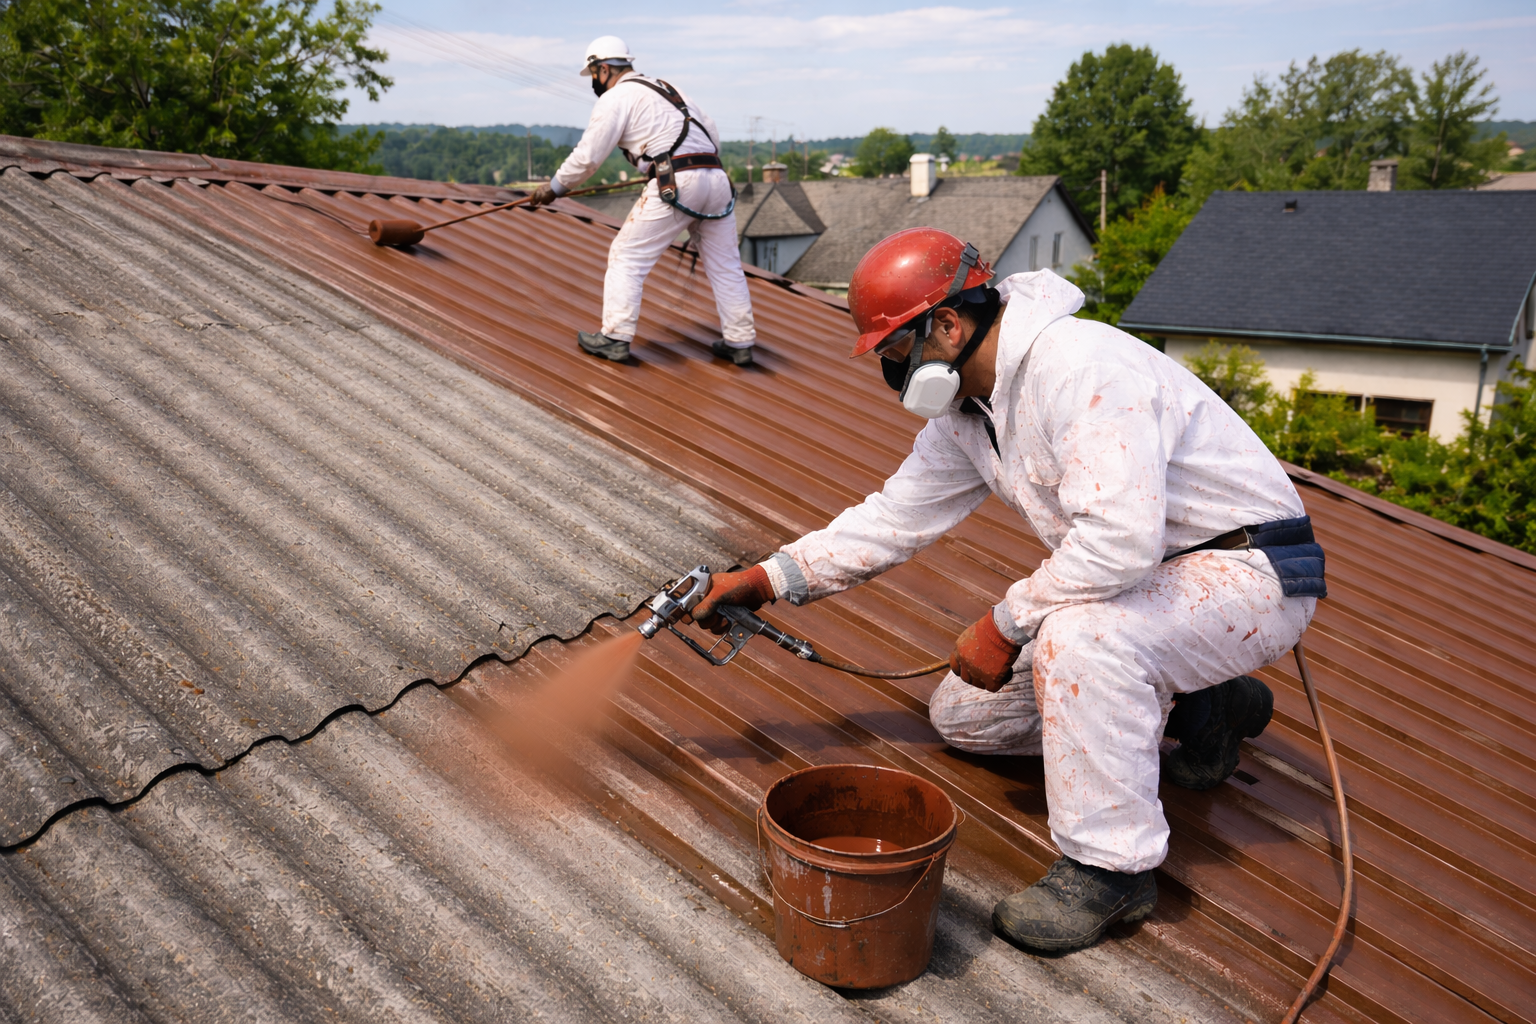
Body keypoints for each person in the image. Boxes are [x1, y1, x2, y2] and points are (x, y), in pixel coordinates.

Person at [687, 228, 1325, 952]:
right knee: (965, 716)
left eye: (897, 350)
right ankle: (1208, 705)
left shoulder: (1080, 368)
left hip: (1247, 574)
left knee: (1079, 641)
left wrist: (1005, 621)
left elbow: (1119, 541)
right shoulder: (971, 411)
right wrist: (766, 579)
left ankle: (1112, 871)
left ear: (949, 324)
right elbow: (895, 517)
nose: (894, 372)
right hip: (1148, 584)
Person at [525, 36, 757, 366]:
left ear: (603, 68)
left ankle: (615, 337)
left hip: (676, 180)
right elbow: (712, 135)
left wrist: (555, 187)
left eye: (593, 73)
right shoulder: (671, 89)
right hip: (716, 178)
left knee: (627, 256)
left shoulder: (617, 98)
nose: (593, 81)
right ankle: (740, 341)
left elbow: (590, 157)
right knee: (726, 265)